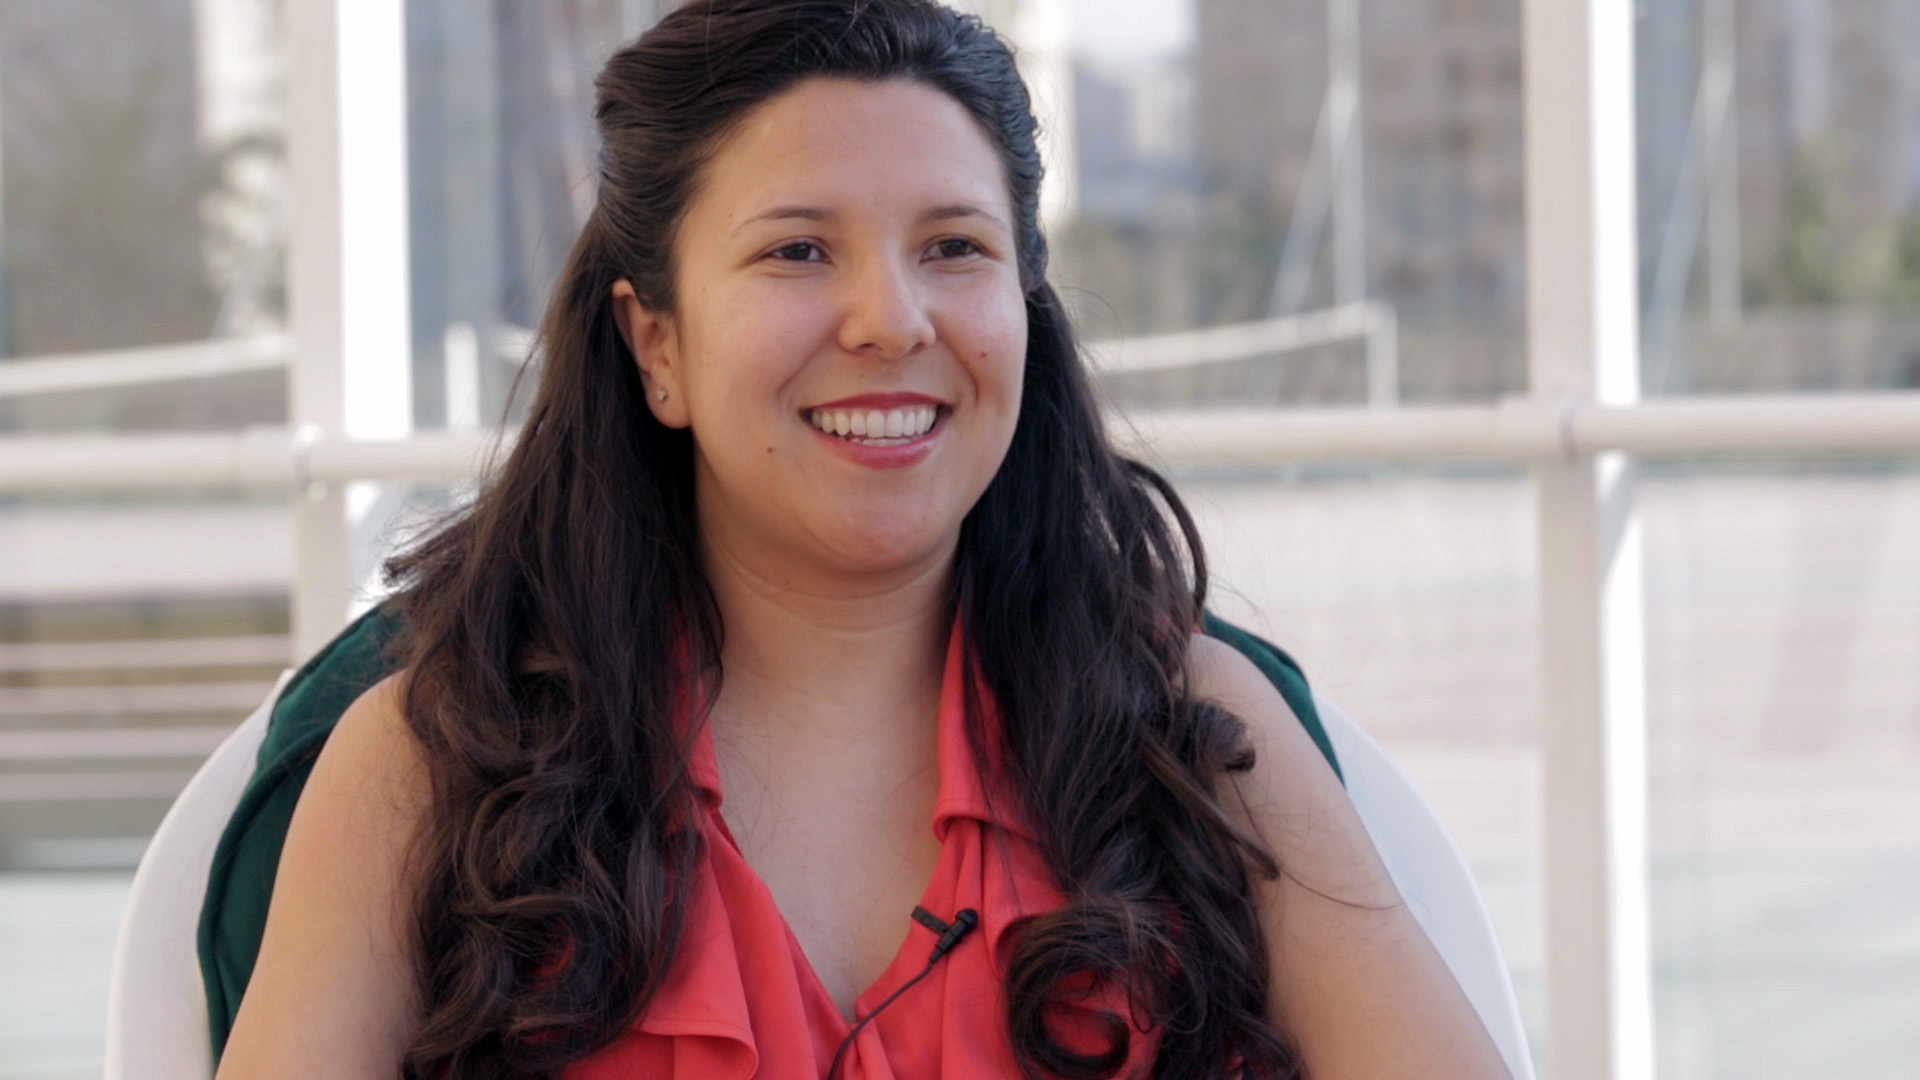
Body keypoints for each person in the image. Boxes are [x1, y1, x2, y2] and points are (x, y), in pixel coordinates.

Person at [213, 1, 1509, 1077]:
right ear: (655, 345)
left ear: (1023, 308)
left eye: (953, 246)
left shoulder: (1198, 737)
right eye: (797, 251)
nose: (890, 320)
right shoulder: (427, 762)